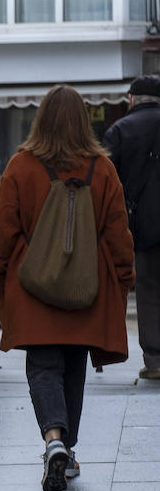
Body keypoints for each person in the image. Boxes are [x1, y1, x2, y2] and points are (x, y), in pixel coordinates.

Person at [0, 85, 135, 491]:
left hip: (33, 286)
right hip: (89, 289)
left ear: (42, 119)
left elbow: (3, 227)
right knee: (73, 366)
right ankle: (66, 451)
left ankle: (54, 440)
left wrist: (1, 269)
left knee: (43, 366)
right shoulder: (102, 170)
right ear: (82, 121)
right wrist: (125, 276)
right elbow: (117, 230)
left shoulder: (21, 166)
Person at [102, 75, 160, 381]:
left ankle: (155, 360)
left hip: (142, 226)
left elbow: (104, 179)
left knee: (149, 291)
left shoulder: (120, 130)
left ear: (133, 99)